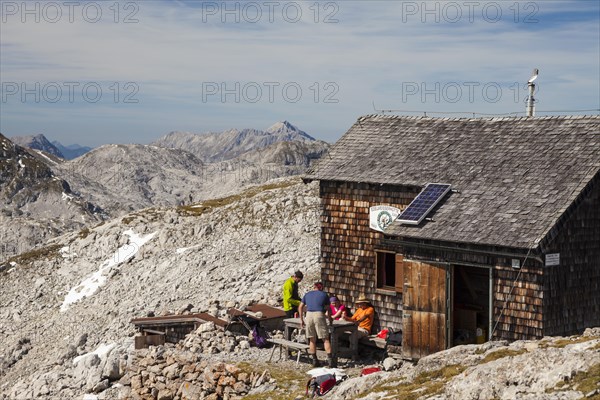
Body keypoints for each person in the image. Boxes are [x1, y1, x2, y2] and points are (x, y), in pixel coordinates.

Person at [298, 282, 334, 367]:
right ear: (322, 287)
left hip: (309, 314)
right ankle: (331, 362)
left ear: (314, 287)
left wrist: (301, 320)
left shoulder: (307, 294)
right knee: (325, 339)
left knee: (312, 339)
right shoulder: (324, 295)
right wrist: (330, 320)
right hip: (319, 314)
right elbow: (329, 309)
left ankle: (315, 361)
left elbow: (300, 307)